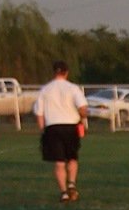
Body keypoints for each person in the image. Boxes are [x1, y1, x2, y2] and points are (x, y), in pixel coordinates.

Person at [33, 60, 88, 202]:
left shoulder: (45, 89)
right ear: (66, 72)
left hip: (52, 127)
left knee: (59, 162)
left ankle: (64, 192)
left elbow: (39, 113)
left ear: (54, 72)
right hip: (71, 127)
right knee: (72, 158)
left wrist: (43, 130)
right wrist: (83, 118)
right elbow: (82, 109)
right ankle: (72, 184)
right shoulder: (73, 88)